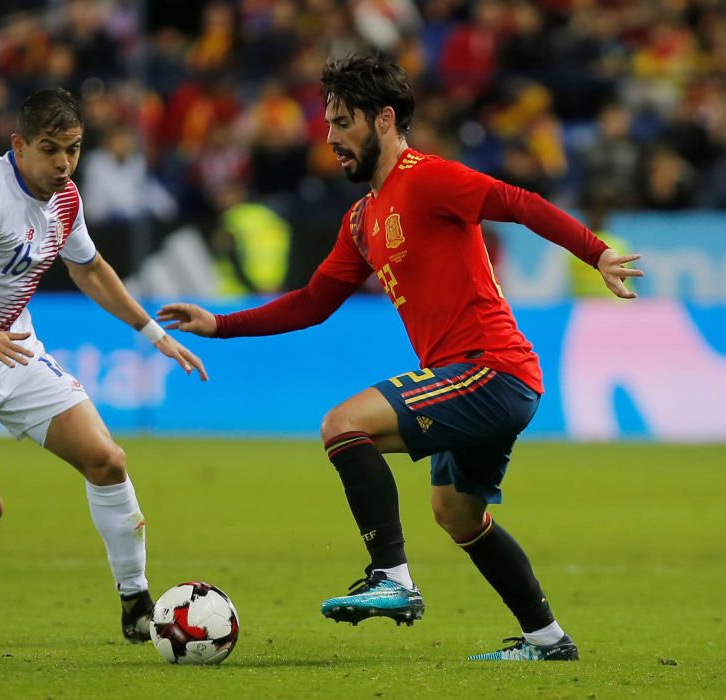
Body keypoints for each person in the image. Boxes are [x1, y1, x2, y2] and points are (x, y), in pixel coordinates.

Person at [158, 55, 642, 662]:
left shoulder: (430, 178)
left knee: (343, 425)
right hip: (472, 379)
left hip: (490, 369)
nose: (330, 136)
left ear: (384, 119)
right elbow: (314, 302)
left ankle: (393, 577)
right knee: (457, 513)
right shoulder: (362, 219)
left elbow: (517, 201)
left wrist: (595, 253)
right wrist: (221, 324)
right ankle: (548, 640)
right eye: (328, 123)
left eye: (342, 121)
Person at [0, 88, 207, 643]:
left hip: (16, 354)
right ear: (19, 146)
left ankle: (135, 600)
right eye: (50, 149)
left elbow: (90, 268)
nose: (63, 163)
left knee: (106, 460)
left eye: (74, 149)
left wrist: (151, 332)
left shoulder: (66, 199)